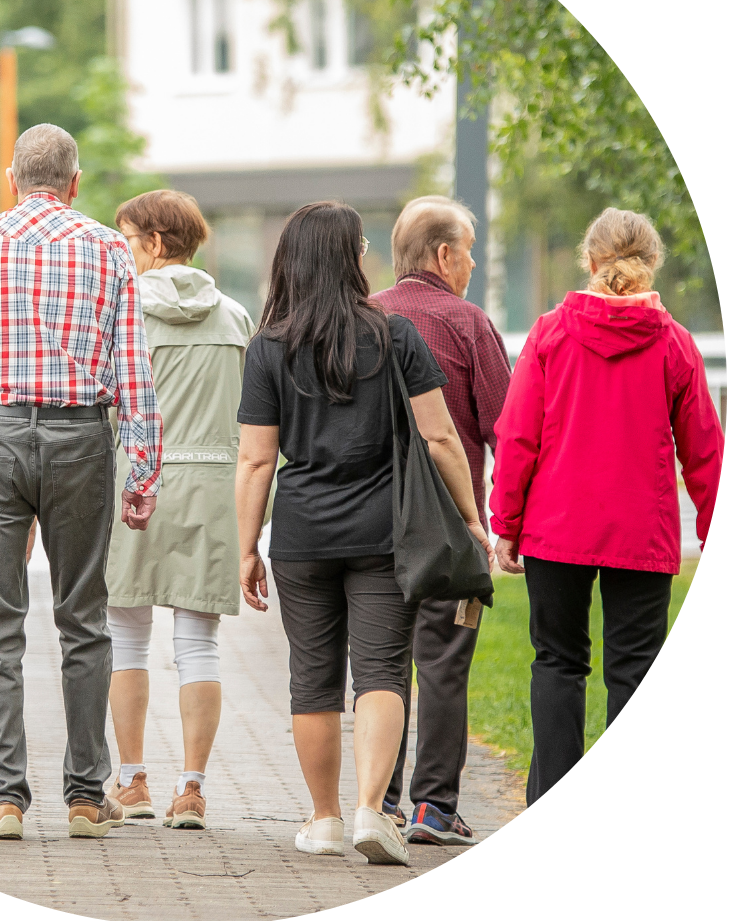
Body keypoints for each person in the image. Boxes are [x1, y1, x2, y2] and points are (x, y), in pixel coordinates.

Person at [0, 123, 163, 842]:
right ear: (76, 182)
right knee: (83, 619)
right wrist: (142, 469)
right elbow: (133, 368)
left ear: (11, 177)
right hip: (81, 438)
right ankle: (87, 797)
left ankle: (3, 800)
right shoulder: (109, 248)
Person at [235, 201, 493, 866]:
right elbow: (440, 438)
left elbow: (257, 459)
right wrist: (469, 518)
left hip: (302, 534)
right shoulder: (393, 334)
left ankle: (321, 819)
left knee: (312, 679)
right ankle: (371, 811)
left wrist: (245, 548)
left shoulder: (269, 346)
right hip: (384, 530)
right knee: (381, 672)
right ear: (348, 259)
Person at [491, 207, 723, 806]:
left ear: (590, 263)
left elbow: (518, 437)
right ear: (650, 265)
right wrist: (712, 525)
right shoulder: (673, 343)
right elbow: (704, 450)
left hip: (555, 528)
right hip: (641, 534)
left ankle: (551, 801)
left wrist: (506, 526)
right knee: (636, 670)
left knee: (558, 663)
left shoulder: (549, 334)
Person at [104, 190, 255, 831]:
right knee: (199, 646)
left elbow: (109, 405)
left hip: (136, 482)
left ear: (156, 245)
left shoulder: (123, 314)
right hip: (214, 485)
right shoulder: (236, 319)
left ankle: (132, 779)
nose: (125, 253)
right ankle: (191, 788)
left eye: (130, 241)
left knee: (126, 641)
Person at [372, 195, 511, 846]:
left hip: (371, 522)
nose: (473, 265)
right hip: (450, 526)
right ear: (445, 254)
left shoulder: (365, 318)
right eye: (470, 252)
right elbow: (502, 427)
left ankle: (384, 802)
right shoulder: (468, 324)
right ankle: (433, 806)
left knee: (382, 664)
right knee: (445, 664)